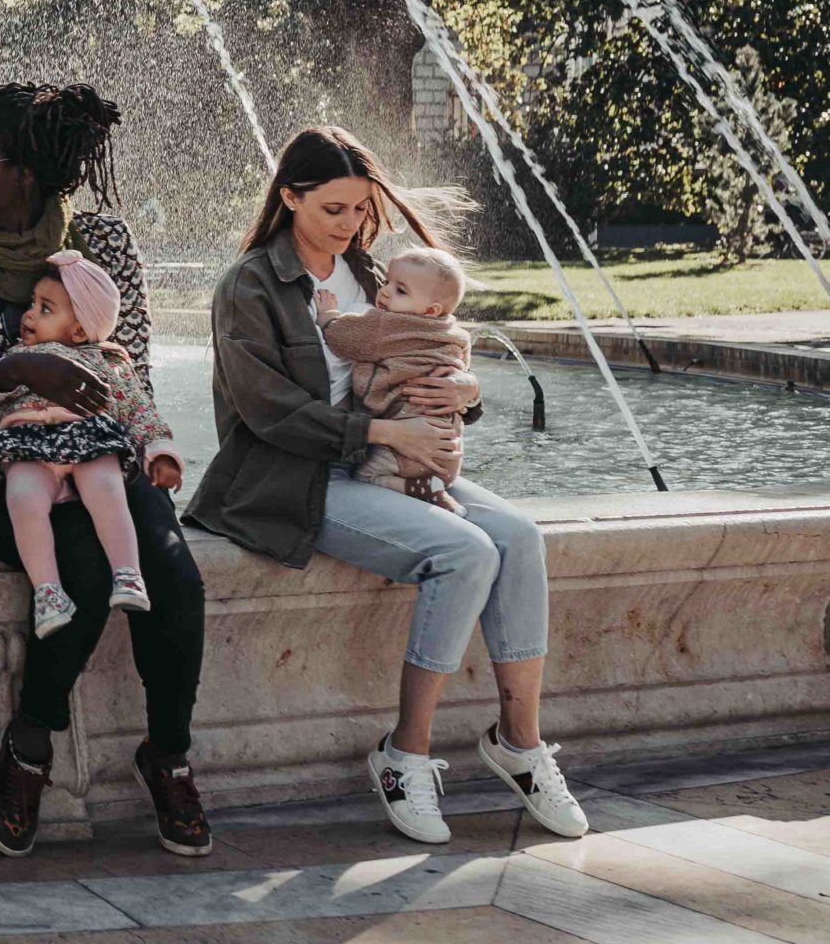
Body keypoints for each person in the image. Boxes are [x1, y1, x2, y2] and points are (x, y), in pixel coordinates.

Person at [188, 127, 587, 843]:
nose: (348, 225)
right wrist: (383, 434)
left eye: (359, 209)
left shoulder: (368, 273)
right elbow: (266, 411)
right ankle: (404, 755)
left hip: (390, 468)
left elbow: (432, 346)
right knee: (466, 552)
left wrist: (463, 390)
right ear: (289, 197)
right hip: (292, 478)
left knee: (519, 536)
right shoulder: (250, 284)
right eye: (332, 209)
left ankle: (519, 744)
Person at [0, 83, 210, 860]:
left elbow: (127, 372)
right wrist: (18, 368)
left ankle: (169, 753)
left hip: (101, 453)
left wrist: (105, 425)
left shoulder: (103, 245)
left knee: (172, 571)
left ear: (27, 171)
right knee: (80, 567)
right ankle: (31, 741)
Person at [0, 250, 179, 640]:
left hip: (86, 439)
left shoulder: (106, 361)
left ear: (78, 331)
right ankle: (48, 592)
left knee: (107, 488)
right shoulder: (15, 355)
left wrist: (160, 451)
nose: (29, 315)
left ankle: (128, 572)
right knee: (23, 499)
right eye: (32, 304)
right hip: (27, 445)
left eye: (45, 308)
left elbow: (139, 409)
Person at [319, 248, 475, 511]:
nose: (386, 291)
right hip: (447, 450)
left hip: (404, 449)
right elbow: (462, 370)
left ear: (430, 310)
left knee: (366, 475)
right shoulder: (456, 335)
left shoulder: (389, 326)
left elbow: (344, 337)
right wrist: (470, 385)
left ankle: (417, 490)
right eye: (387, 282)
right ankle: (435, 490)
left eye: (401, 291)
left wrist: (328, 317)